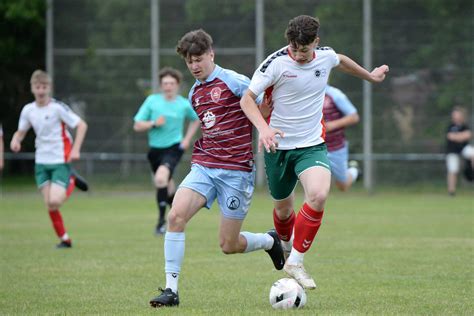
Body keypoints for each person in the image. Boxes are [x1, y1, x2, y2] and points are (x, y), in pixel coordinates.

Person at [240, 15, 389, 290]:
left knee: (318, 195)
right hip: (278, 147)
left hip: (311, 145)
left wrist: (370, 76)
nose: (298, 55)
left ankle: (296, 260)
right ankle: (285, 248)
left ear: (316, 43)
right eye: (293, 49)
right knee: (284, 212)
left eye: (304, 50)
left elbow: (340, 59)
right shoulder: (274, 64)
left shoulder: (324, 56)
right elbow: (246, 99)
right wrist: (264, 129)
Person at [149, 29, 285, 308]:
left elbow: (262, 111)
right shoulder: (194, 92)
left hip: (236, 171)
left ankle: (269, 242)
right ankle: (171, 291)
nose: (195, 66)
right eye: (189, 62)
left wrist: (268, 124)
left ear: (211, 54)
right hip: (205, 166)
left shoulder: (234, 81)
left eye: (199, 59)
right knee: (175, 216)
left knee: (228, 245)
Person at [10, 70, 88, 248]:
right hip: (41, 162)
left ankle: (72, 178)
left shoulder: (57, 108)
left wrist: (75, 150)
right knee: (50, 205)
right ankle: (65, 240)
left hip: (60, 160)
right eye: (37, 86)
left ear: (49, 88)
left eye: (44, 86)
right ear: (32, 88)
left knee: (54, 201)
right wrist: (16, 140)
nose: (41, 90)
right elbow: (20, 132)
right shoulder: (28, 110)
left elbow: (82, 125)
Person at [134, 67, 200, 235]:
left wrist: (186, 140)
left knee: (160, 178)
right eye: (165, 83)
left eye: (171, 83)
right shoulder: (152, 101)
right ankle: (176, 215)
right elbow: (137, 125)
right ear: (160, 85)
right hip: (155, 151)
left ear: (177, 85)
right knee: (166, 185)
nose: (168, 86)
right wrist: (154, 123)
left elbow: (196, 120)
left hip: (173, 148)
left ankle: (161, 223)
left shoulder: (184, 104)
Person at [261, 85, 361, 192]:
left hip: (335, 147)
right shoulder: (299, 93)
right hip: (311, 147)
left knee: (343, 185)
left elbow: (354, 117)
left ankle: (354, 170)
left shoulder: (334, 94)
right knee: (311, 185)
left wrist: (332, 125)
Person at [445, 106, 473, 195]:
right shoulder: (450, 126)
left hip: (463, 148)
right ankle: (451, 191)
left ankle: (471, 169)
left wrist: (457, 136)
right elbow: (450, 136)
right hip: (452, 151)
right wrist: (461, 136)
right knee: (452, 170)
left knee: (472, 152)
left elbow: (468, 135)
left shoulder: (465, 126)